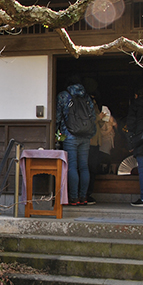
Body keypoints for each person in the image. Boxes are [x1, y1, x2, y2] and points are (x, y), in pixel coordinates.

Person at [56, 75, 96, 205]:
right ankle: (84, 196)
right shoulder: (86, 96)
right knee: (84, 167)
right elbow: (93, 116)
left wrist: (57, 131)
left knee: (72, 166)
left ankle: (73, 198)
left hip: (70, 135)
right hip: (85, 136)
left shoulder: (64, 95)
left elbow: (57, 116)